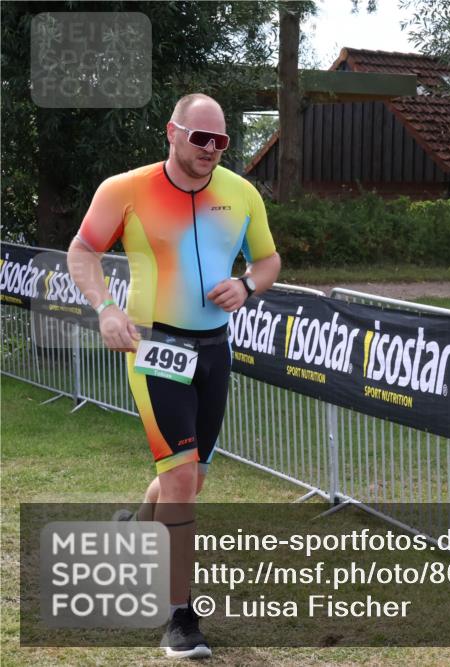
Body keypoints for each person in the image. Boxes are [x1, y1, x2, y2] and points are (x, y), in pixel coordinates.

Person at [67, 93, 281, 659]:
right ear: (172, 132)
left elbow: (268, 260)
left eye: (222, 141)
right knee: (182, 480)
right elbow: (83, 249)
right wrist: (105, 307)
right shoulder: (125, 189)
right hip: (153, 344)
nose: (211, 150)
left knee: (189, 478)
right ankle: (177, 616)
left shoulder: (242, 193)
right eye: (200, 138)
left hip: (214, 350)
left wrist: (249, 285)